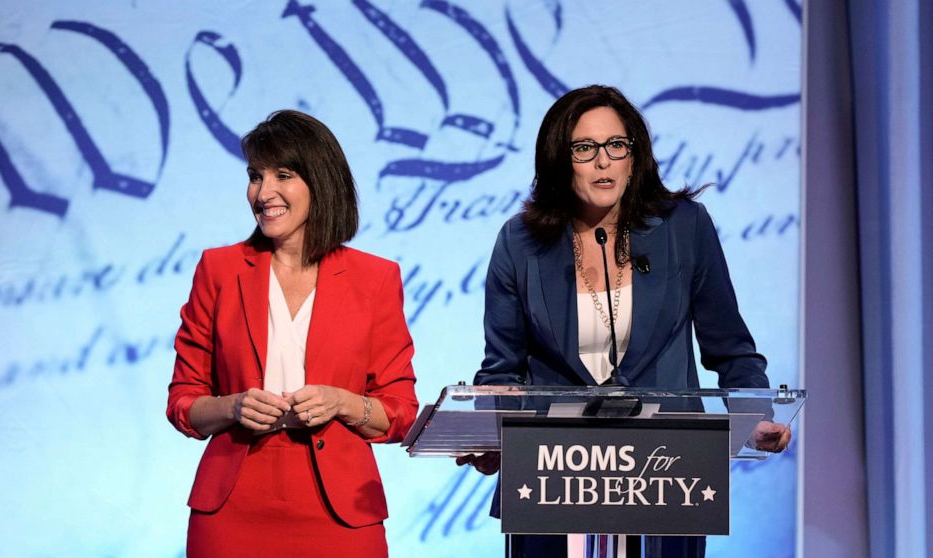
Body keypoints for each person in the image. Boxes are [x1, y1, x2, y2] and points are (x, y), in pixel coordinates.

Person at [458, 85, 791, 558]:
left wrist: (753, 416)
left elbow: (731, 347)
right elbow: (501, 370)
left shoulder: (684, 228)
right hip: (552, 475)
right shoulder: (520, 242)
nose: (603, 161)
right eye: (584, 148)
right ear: (559, 159)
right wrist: (488, 437)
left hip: (668, 473)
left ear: (634, 158)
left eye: (617, 146)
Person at [167, 110, 418, 558]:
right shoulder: (218, 270)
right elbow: (184, 403)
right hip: (231, 511)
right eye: (255, 176)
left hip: (340, 514)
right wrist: (234, 406)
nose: (263, 193)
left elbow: (400, 413)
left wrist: (342, 402)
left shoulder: (375, 278)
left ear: (320, 181)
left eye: (283, 174)